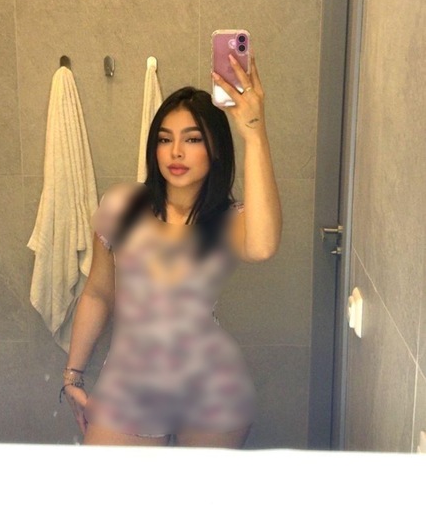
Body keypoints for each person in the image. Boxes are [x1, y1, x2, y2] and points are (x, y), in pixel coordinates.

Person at [61, 53, 282, 448]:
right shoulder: (121, 206)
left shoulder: (228, 220)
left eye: (192, 139)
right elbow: (97, 292)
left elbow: (263, 246)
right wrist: (73, 374)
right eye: (165, 139)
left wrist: (254, 132)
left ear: (215, 149)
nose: (175, 152)